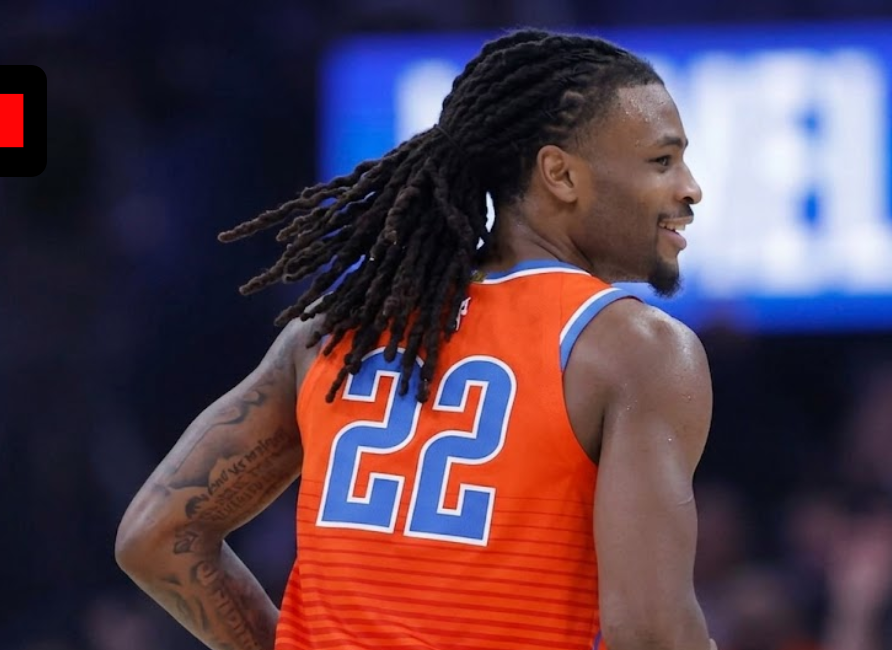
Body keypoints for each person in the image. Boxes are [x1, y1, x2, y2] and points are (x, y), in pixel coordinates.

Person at [116, 28, 716, 650]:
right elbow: (651, 634)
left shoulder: (335, 328)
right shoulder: (635, 349)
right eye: (661, 161)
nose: (690, 187)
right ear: (560, 175)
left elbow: (157, 538)